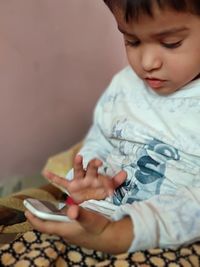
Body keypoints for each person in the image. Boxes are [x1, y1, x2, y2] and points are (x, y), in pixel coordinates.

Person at [25, 0, 200, 254]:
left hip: (164, 239)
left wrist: (123, 233)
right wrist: (88, 177)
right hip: (93, 213)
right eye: (132, 41)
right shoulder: (124, 85)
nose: (147, 62)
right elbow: (101, 140)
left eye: (170, 43)